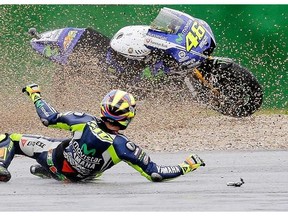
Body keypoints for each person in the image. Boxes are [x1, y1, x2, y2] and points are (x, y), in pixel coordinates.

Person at [0, 84, 205, 183]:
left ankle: (2, 165)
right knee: (62, 145)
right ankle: (46, 171)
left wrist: (35, 94)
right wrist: (186, 166)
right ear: (128, 117)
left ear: (103, 108)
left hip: (53, 161)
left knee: (10, 139)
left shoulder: (83, 121)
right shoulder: (124, 146)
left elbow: (49, 118)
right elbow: (156, 173)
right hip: (80, 177)